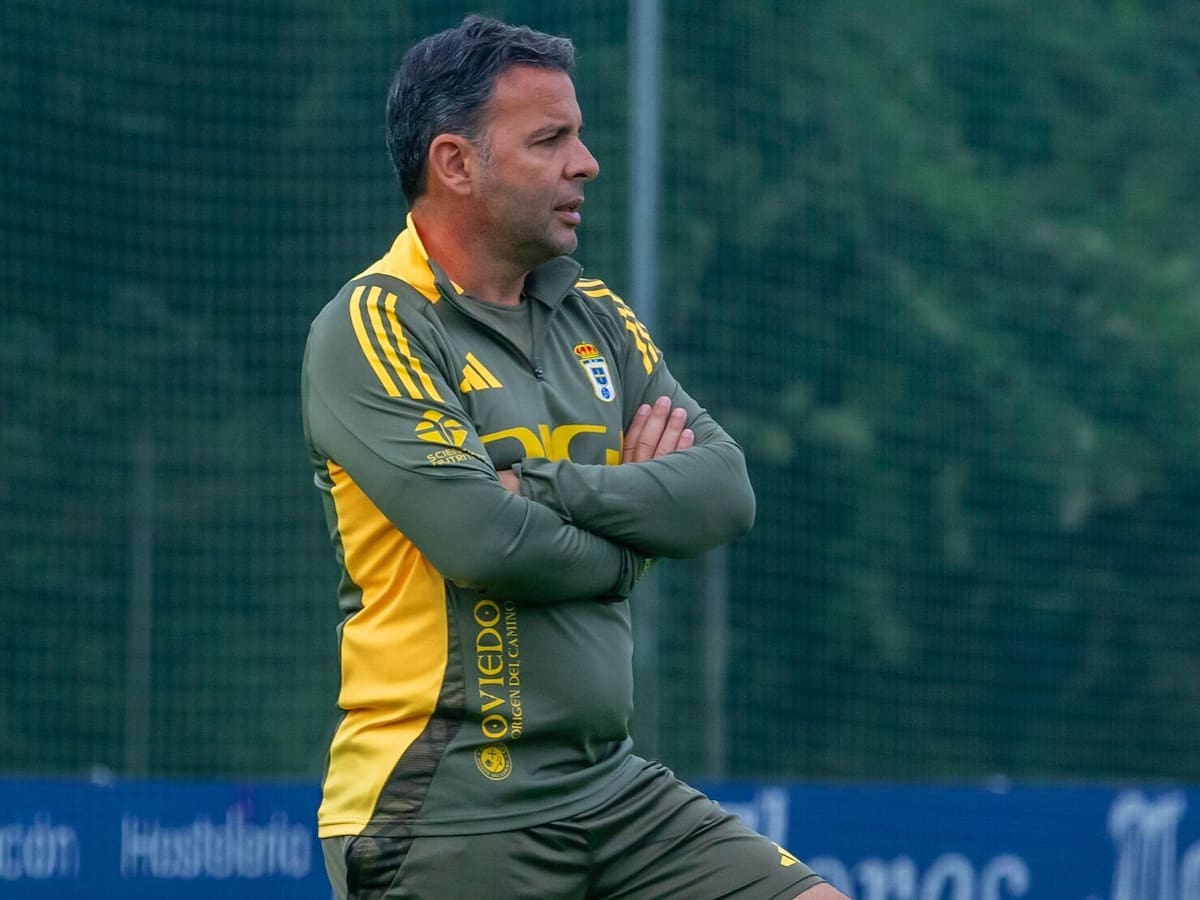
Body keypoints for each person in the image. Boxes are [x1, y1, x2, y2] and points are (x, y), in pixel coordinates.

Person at [301, 13, 850, 900]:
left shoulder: (593, 312)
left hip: (610, 786)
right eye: (550, 139)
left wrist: (541, 487)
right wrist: (637, 532)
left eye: (579, 135)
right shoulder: (374, 325)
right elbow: (486, 541)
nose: (586, 163)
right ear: (455, 163)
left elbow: (723, 491)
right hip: (448, 803)